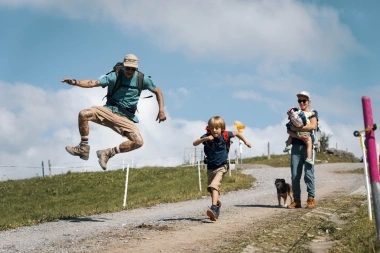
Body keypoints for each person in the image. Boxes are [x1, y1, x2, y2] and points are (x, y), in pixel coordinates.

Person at [61, 54, 167, 170]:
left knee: (138, 142)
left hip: (126, 118)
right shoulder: (115, 76)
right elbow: (92, 83)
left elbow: (158, 92)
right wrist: (75, 82)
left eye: (133, 69)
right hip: (109, 111)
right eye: (128, 68)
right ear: (124, 66)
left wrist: (161, 110)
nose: (130, 71)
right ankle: (83, 148)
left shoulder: (142, 79)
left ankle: (107, 153)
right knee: (83, 114)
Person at [193, 116, 251, 221]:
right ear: (209, 128)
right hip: (210, 167)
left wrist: (246, 142)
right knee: (211, 189)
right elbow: (195, 143)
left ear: (222, 128)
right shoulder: (207, 137)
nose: (214, 130)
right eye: (212, 128)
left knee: (214, 186)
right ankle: (216, 207)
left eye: (217, 128)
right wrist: (205, 139)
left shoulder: (226, 135)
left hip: (222, 166)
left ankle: (213, 207)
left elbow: (237, 133)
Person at [287, 91, 318, 209]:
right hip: (296, 146)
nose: (301, 103)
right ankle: (297, 200)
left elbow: (313, 126)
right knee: (295, 175)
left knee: (308, 173)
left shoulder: (313, 113)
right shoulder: (294, 112)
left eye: (304, 100)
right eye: (299, 100)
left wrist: (297, 128)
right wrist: (297, 135)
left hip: (308, 147)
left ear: (309, 102)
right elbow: (289, 130)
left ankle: (311, 198)